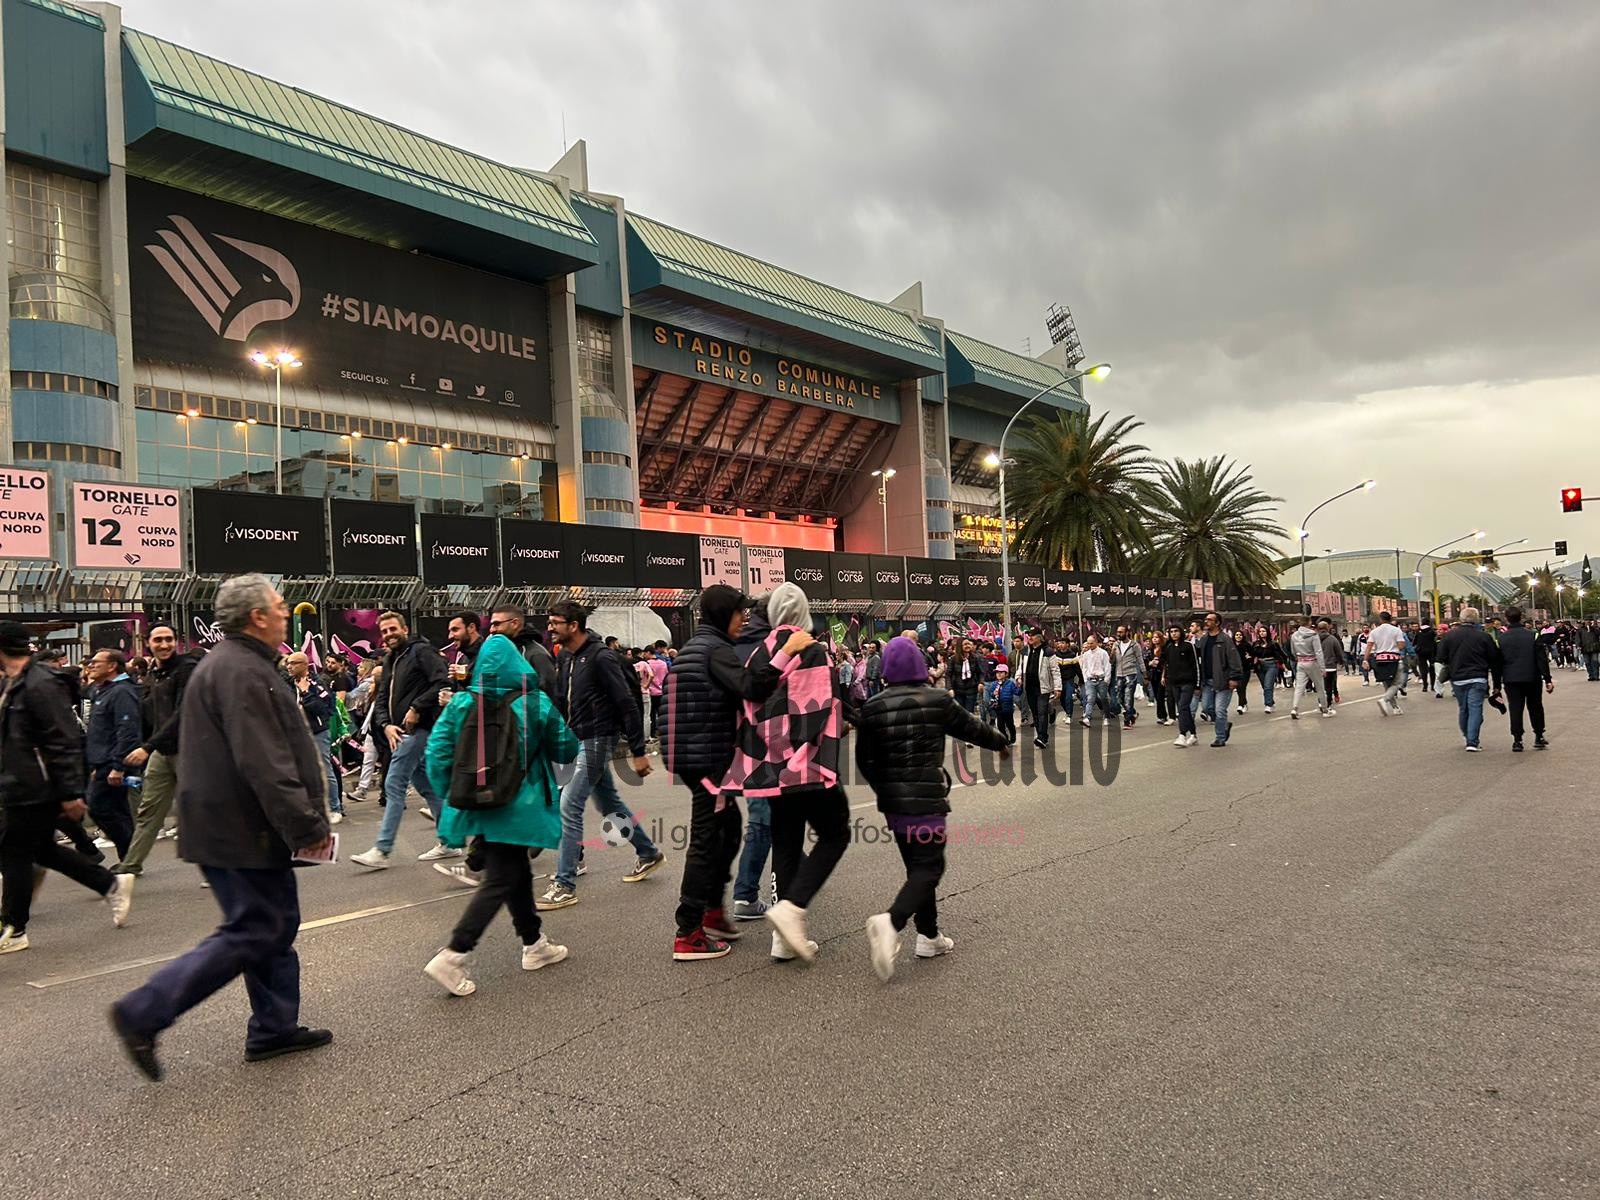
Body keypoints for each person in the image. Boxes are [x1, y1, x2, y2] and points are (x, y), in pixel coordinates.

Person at [109, 576, 332, 1079]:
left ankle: (275, 1028)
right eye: (279, 608)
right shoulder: (241, 670)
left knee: (274, 924)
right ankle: (143, 1012)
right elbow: (265, 761)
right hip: (241, 827)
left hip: (241, 825)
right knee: (257, 927)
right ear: (257, 616)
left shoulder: (243, 664)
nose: (285, 615)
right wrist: (306, 825)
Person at [419, 634, 578, 995]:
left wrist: (455, 792)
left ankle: (534, 943)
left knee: (513, 873)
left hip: (475, 803)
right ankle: (454, 953)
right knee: (502, 877)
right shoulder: (534, 702)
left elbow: (437, 754)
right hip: (519, 807)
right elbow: (567, 748)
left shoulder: (461, 702)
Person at [861, 637, 1009, 981]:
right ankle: (892, 922)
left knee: (917, 868)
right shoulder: (937, 700)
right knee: (929, 867)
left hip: (893, 804)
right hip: (927, 798)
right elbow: (973, 728)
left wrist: (883, 790)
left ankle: (928, 936)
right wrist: (1000, 743)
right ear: (918, 665)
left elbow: (864, 760)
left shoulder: (873, 706)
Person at [715, 583, 848, 963]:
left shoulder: (762, 648)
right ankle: (792, 909)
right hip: (803, 764)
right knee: (836, 833)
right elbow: (815, 708)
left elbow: (752, 702)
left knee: (786, 843)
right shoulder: (811, 648)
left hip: (768, 767)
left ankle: (783, 938)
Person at [661, 585, 795, 961]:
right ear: (723, 614)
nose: (745, 619)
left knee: (728, 827)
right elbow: (752, 687)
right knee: (707, 838)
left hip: (690, 755)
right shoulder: (716, 650)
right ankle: (689, 930)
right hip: (706, 759)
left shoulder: (696, 648)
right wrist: (786, 654)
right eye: (740, 613)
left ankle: (712, 911)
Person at [0, 623, 131, 954]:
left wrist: (71, 792)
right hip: (20, 782)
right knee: (41, 851)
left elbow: (64, 739)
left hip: (37, 785)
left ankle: (15, 927)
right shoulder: (13, 683)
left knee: (14, 852)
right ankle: (109, 883)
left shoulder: (39, 684)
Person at [537, 601, 663, 911]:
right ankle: (648, 853)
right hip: (576, 738)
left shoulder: (601, 657)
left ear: (574, 625)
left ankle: (564, 883)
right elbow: (560, 700)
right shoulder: (567, 657)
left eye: (555, 622)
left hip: (597, 739)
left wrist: (638, 751)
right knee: (608, 802)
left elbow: (626, 703)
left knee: (569, 803)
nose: (550, 627)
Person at [352, 612, 450, 869]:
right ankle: (450, 840)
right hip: (400, 731)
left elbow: (442, 681)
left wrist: (417, 707)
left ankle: (382, 849)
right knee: (425, 785)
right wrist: (385, 726)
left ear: (405, 628)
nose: (389, 634)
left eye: (393, 629)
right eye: (384, 631)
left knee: (393, 783)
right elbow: (382, 698)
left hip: (419, 729)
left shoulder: (421, 652)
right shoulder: (390, 661)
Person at [118, 626, 200, 877]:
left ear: (176, 641)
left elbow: (183, 712)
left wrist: (147, 747)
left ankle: (218, 868)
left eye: (169, 639)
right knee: (148, 811)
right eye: (158, 640)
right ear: (147, 643)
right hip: (161, 753)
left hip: (188, 751)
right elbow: (149, 716)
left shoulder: (185, 669)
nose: (164, 645)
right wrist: (140, 746)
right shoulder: (153, 674)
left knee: (198, 812)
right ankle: (129, 866)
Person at [84, 649, 143, 861]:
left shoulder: (121, 692)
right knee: (119, 809)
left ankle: (129, 857)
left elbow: (127, 730)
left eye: (95, 662)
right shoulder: (102, 690)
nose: (90, 665)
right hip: (102, 762)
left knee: (98, 807)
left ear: (112, 666)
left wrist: (118, 766)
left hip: (112, 762)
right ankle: (129, 859)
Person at [283, 652, 344, 827]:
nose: (289, 666)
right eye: (288, 663)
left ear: (304, 665)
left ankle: (335, 808)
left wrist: (305, 692)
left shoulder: (317, 684)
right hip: (297, 734)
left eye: (293, 663)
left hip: (317, 732)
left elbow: (323, 710)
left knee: (324, 769)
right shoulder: (288, 684)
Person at [1437, 607, 1502, 752]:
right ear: (1477, 619)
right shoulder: (1484, 637)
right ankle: (1472, 741)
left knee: (1463, 709)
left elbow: (1440, 657)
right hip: (1478, 677)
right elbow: (1495, 661)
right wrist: (1497, 684)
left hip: (1458, 678)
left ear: (1461, 619)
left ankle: (1467, 736)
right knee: (1475, 708)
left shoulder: (1449, 636)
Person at [1494, 606, 1552, 752]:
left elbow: (1497, 664)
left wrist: (1496, 685)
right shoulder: (1533, 635)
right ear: (1521, 617)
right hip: (1532, 677)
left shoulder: (1500, 639)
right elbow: (1541, 659)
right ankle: (1539, 736)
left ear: (1506, 619)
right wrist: (1548, 679)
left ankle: (1517, 740)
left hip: (1511, 679)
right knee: (1535, 706)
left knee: (1515, 708)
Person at [487, 605, 557, 698]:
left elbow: (549, 696)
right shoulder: (499, 653)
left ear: (515, 623)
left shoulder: (536, 655)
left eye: (497, 624)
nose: (491, 630)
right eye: (491, 625)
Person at [1196, 612, 1243, 746]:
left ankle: (1220, 737)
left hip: (1223, 680)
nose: (1206, 622)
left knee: (1220, 710)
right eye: (1205, 620)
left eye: (1210, 620)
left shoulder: (1225, 639)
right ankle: (1224, 724)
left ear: (1217, 623)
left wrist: (1234, 678)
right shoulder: (1204, 640)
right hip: (1207, 681)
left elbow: (1234, 659)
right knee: (1207, 707)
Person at [1013, 629, 1061, 748]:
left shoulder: (1048, 651)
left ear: (1039, 637)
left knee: (1042, 711)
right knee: (1035, 713)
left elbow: (1055, 671)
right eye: (1029, 635)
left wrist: (1057, 687)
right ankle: (1041, 735)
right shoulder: (1025, 651)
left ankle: (1042, 737)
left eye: (1032, 635)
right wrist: (1018, 676)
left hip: (1043, 688)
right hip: (1029, 687)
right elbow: (1021, 665)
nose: (1030, 637)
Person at [1364, 611, 1407, 717]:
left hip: (1379, 659)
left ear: (1380, 619)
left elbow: (1369, 646)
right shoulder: (1396, 630)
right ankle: (1384, 699)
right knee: (1397, 683)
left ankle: (1395, 707)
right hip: (1394, 659)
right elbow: (1401, 646)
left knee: (1387, 685)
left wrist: (1365, 660)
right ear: (1390, 619)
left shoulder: (1374, 632)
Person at [1288, 615, 1328, 720]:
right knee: (1320, 687)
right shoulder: (1313, 635)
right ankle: (1325, 709)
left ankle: (1295, 708)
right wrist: (1322, 668)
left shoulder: (1294, 635)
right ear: (1309, 623)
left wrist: (1298, 657)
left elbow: (1292, 651)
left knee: (1299, 687)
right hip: (1312, 662)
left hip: (1300, 662)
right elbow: (1318, 652)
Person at [1076, 636, 1112, 727]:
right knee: (1090, 699)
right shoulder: (1086, 655)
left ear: (1096, 642)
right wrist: (1086, 678)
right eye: (1088, 643)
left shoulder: (1103, 653)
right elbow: (1084, 668)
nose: (1089, 645)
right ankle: (1087, 718)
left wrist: (1107, 679)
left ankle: (1107, 717)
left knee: (1104, 698)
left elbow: (1107, 666)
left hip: (1101, 679)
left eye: (1091, 643)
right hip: (1090, 680)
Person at [1112, 626, 1143, 728]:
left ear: (1127, 633)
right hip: (1119, 674)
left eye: (1121, 632)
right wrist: (1112, 652)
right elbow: (1111, 661)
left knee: (1128, 697)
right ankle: (1133, 713)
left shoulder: (1134, 645)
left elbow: (1140, 659)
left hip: (1131, 673)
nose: (1119, 634)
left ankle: (1128, 720)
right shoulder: (1116, 644)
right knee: (1120, 698)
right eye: (1118, 632)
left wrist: (1144, 674)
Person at [985, 663, 1020, 744]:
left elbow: (1017, 692)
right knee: (1000, 726)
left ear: (1006, 674)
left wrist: (1019, 686)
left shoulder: (1010, 683)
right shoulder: (994, 684)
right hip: (998, 709)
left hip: (1008, 709)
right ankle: (1005, 739)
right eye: (997, 672)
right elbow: (991, 694)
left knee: (1010, 724)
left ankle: (1013, 734)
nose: (999, 674)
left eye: (1001, 672)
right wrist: (994, 694)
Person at [1316, 619, 1345, 715]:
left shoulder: (1314, 639)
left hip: (1317, 666)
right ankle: (1327, 706)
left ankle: (1320, 702)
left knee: (1320, 686)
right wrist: (1341, 661)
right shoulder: (1332, 639)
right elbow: (1338, 652)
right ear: (1327, 628)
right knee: (1329, 687)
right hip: (1330, 666)